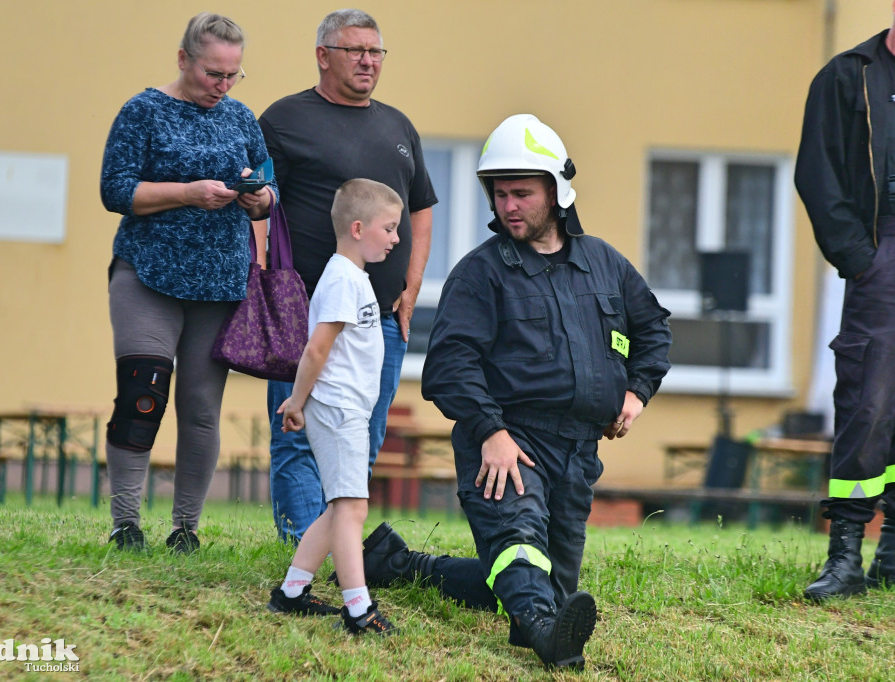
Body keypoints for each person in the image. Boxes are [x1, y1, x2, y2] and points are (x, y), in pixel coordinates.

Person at [355, 115, 672, 668]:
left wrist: (637, 393)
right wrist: (493, 435)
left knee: (536, 575)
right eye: (499, 194)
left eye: (522, 193)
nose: (508, 206)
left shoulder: (603, 264)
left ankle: (402, 565)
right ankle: (546, 639)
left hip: (578, 454)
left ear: (557, 190)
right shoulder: (480, 274)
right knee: (522, 550)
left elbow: (654, 329)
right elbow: (449, 367)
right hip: (508, 444)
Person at [258, 8, 437, 543]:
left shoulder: (398, 126)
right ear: (322, 56)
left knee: (363, 436)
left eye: (376, 51)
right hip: (307, 313)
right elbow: (260, 209)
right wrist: (269, 290)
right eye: (355, 50)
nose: (368, 61)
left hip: (379, 319)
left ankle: (339, 549)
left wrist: (412, 285)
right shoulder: (284, 120)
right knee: (297, 433)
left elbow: (421, 207)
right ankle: (302, 548)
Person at [99, 12, 275, 553]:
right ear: (184, 60)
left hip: (219, 285)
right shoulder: (142, 111)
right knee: (143, 393)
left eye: (232, 75)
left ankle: (185, 530)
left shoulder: (242, 118)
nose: (222, 86)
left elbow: (268, 189)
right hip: (147, 274)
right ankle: (125, 523)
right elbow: (115, 191)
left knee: (200, 408)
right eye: (212, 74)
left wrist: (256, 198)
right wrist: (186, 192)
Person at [795, 0, 895, 600]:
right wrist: (861, 260)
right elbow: (817, 174)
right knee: (869, 402)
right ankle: (844, 556)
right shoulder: (850, 75)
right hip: (886, 251)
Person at [267, 179, 402, 636]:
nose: (396, 238)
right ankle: (359, 609)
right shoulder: (342, 279)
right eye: (390, 228)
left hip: (348, 409)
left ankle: (290, 593)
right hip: (338, 407)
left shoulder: (352, 276)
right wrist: (297, 401)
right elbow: (316, 350)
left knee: (338, 507)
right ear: (359, 228)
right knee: (352, 509)